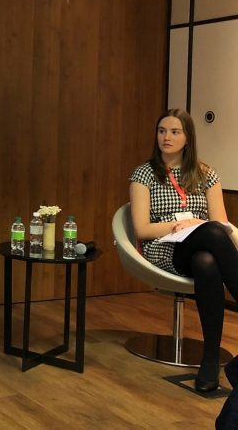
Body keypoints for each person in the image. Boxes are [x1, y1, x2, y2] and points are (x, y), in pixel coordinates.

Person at [130, 108, 238, 393]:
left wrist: (195, 224)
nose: (166, 137)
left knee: (206, 261)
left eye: (175, 132)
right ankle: (211, 361)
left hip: (201, 244)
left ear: (187, 138)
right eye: (162, 131)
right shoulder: (144, 174)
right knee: (211, 234)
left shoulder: (206, 174)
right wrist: (178, 225)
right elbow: (142, 229)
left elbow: (221, 222)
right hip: (164, 248)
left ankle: (210, 362)